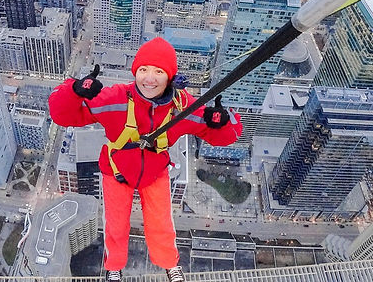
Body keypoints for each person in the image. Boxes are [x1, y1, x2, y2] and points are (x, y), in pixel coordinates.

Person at [49, 37, 243, 282]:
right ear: (135, 72)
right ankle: (114, 266)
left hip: (154, 169)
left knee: (161, 222)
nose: (149, 78)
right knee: (116, 224)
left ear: (169, 77)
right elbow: (63, 115)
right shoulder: (115, 99)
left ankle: (169, 263)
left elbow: (225, 136)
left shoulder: (181, 107)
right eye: (143, 70)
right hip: (117, 169)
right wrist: (75, 91)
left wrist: (221, 122)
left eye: (158, 71)